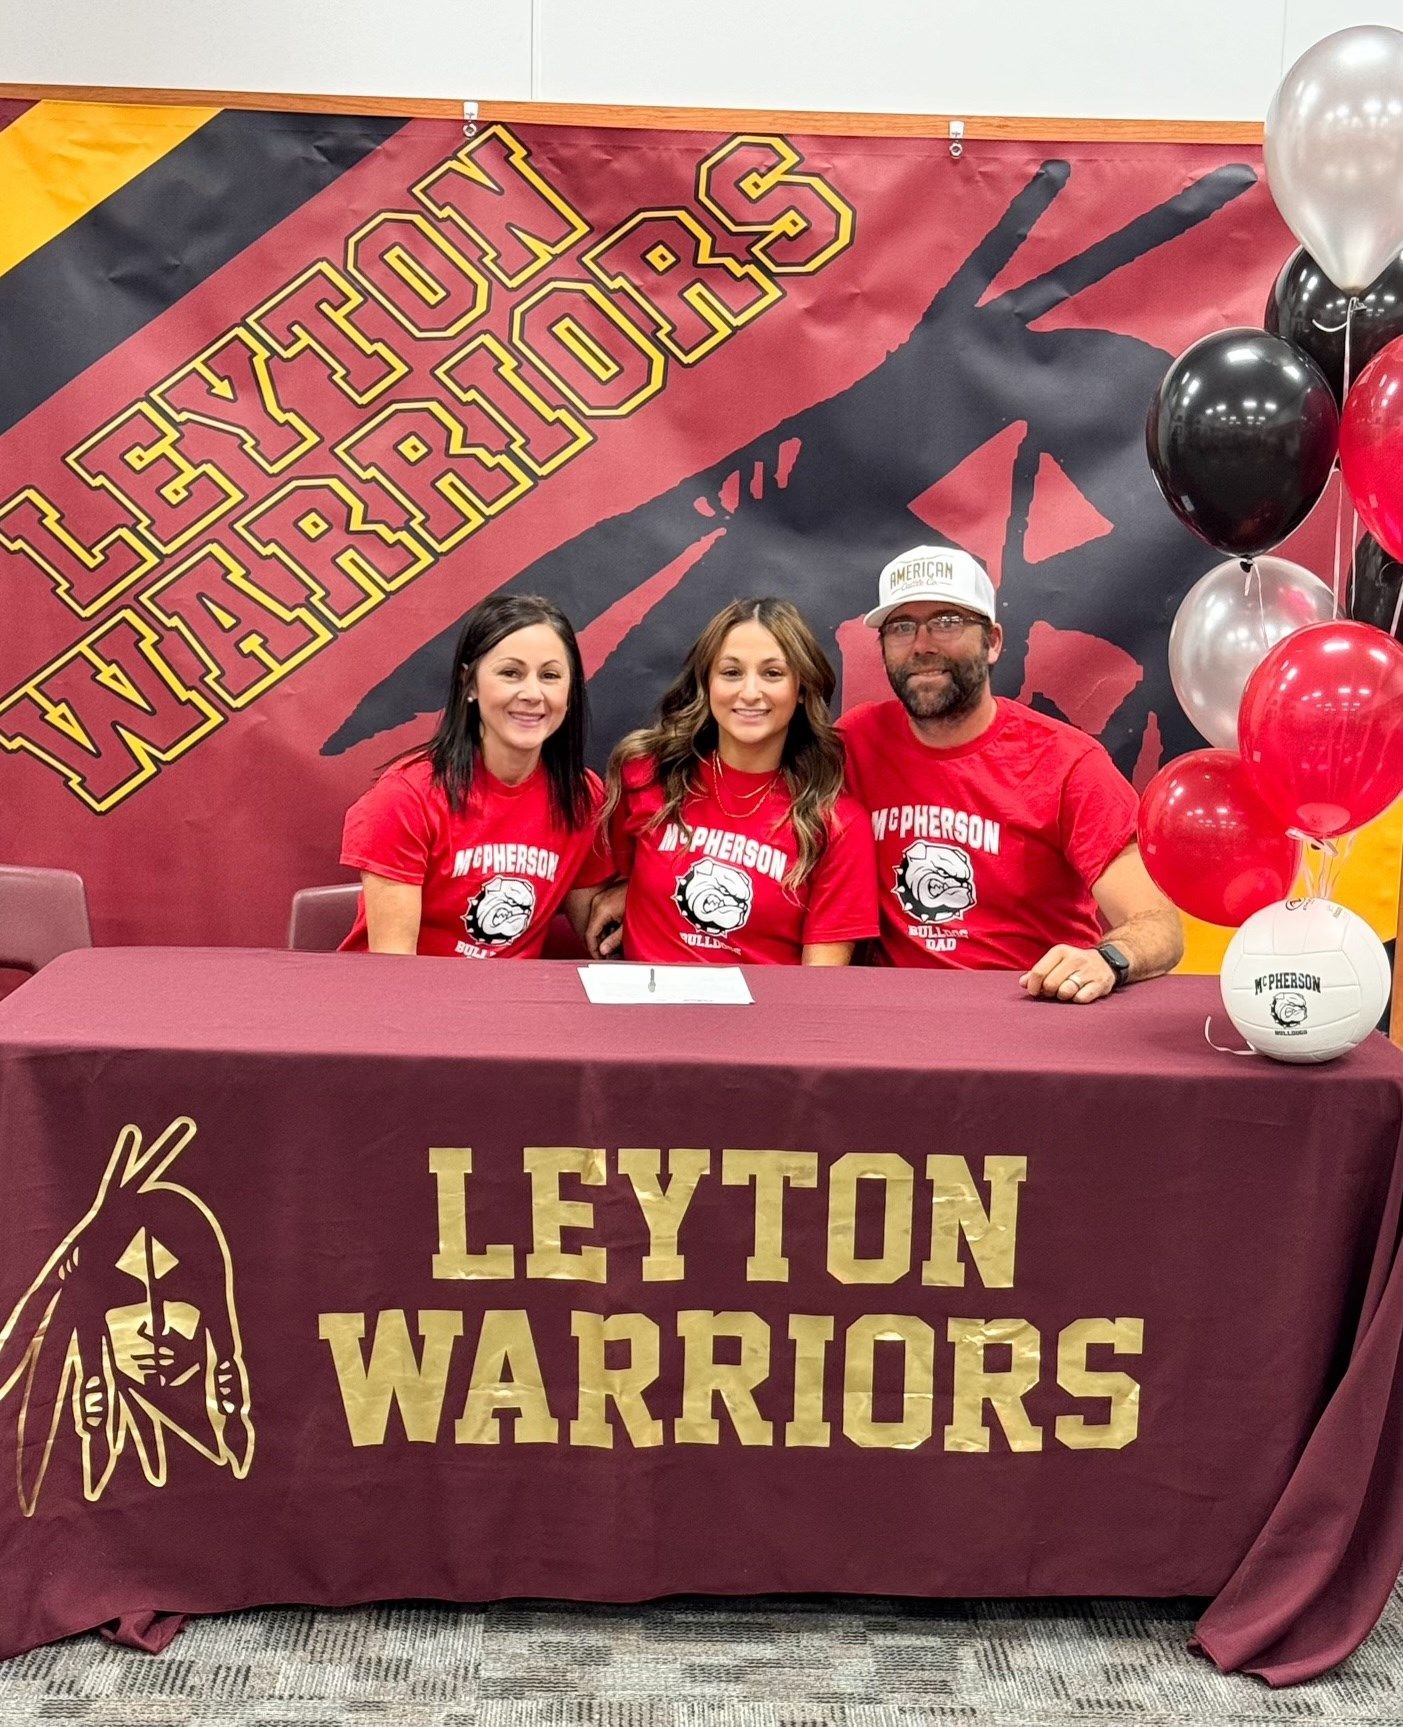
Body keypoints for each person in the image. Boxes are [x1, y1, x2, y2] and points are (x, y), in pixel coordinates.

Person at [838, 545, 1183, 1001]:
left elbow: (1160, 925)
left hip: (1032, 1009)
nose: (922, 645)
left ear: (994, 641)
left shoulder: (1068, 762)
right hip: (896, 1012)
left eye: (947, 621)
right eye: (901, 627)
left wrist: (1108, 960)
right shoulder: (855, 741)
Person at [589, 597, 877, 965]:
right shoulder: (647, 774)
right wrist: (629, 890)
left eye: (772, 673)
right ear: (707, 682)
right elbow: (599, 879)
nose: (750, 693)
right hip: (642, 1001)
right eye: (731, 672)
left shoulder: (837, 825)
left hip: (767, 1005)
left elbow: (819, 986)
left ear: (802, 689)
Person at [340, 593, 610, 957]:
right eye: (511, 673)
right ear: (469, 684)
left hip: (508, 994)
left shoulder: (581, 798)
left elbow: (598, 928)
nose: (532, 693)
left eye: (550, 676)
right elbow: (393, 970)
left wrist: (627, 896)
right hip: (401, 990)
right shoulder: (406, 797)